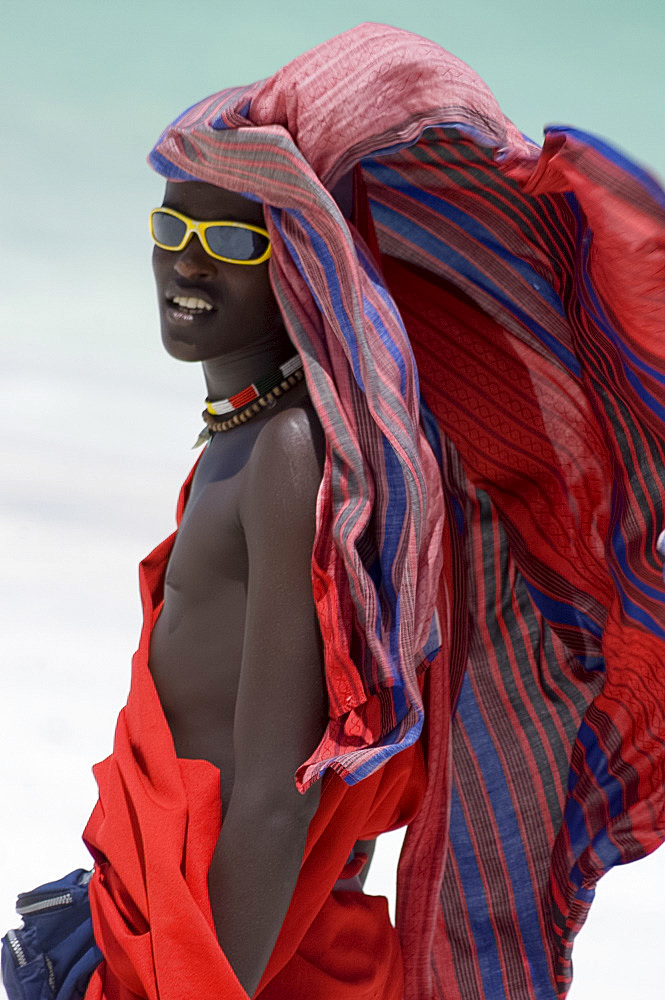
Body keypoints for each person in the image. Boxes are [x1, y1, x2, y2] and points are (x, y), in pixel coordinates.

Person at [80, 21, 665, 1000]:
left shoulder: (286, 455)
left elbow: (277, 793)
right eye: (170, 228)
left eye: (230, 236)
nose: (187, 262)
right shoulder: (248, 439)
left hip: (222, 940)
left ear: (302, 261)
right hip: (184, 907)